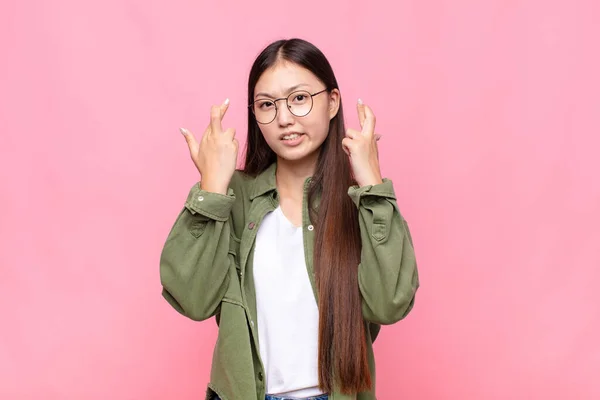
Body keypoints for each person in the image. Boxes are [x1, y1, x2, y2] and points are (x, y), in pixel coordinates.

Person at [160, 38, 420, 400]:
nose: (284, 119)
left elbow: (389, 303)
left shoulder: (358, 201)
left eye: (299, 98)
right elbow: (191, 299)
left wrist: (373, 187)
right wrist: (212, 189)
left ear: (332, 102)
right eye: (267, 105)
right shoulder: (233, 197)